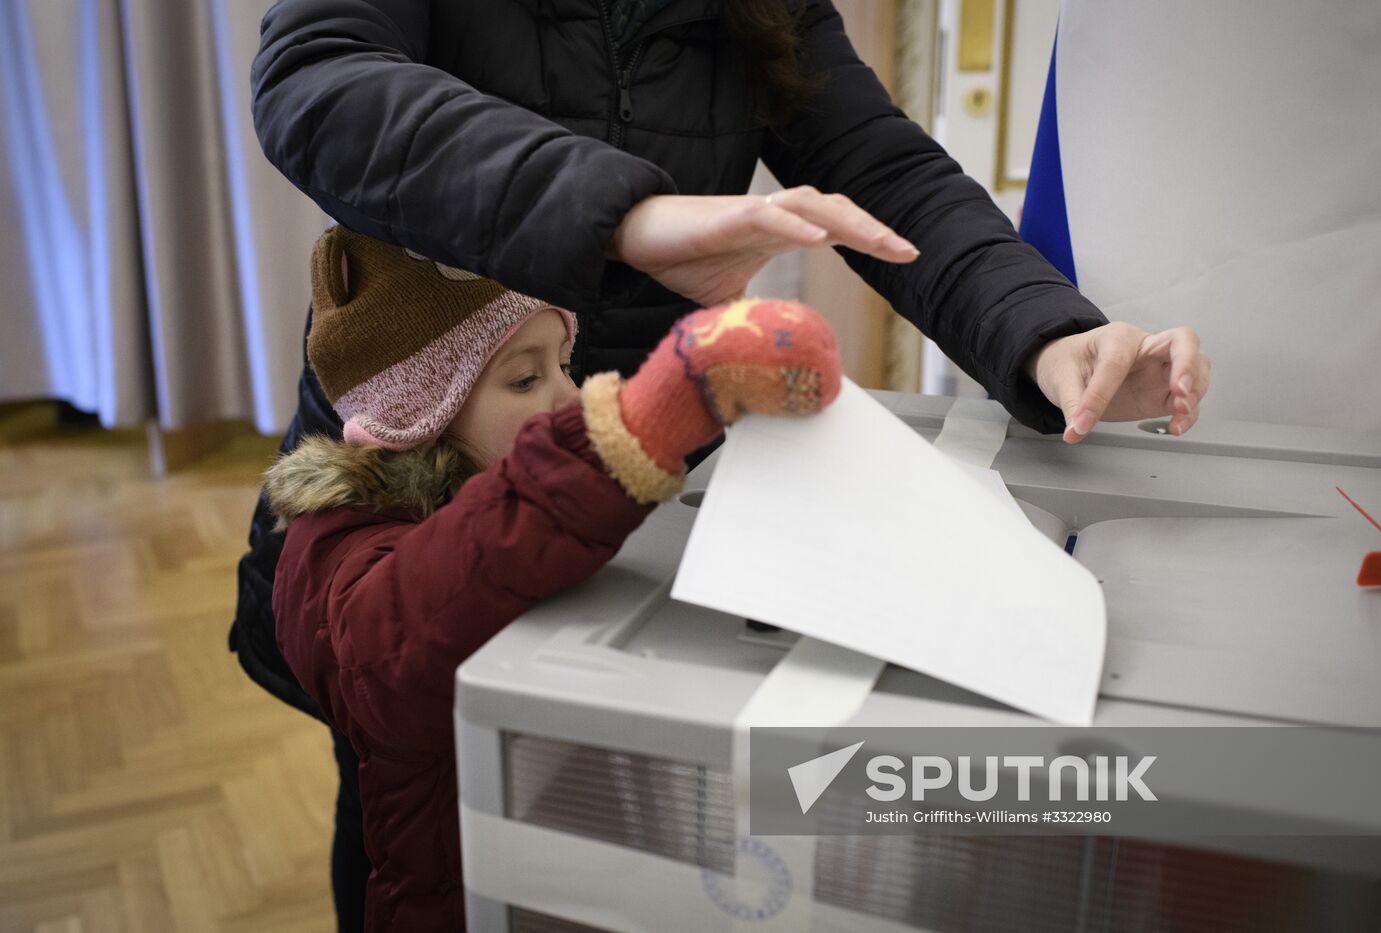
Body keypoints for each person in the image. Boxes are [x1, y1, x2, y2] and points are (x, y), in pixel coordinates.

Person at [233, 1, 1211, 927]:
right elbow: (316, 76)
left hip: (642, 507)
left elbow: (876, 169)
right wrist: (623, 216)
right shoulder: (363, 537)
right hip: (438, 505)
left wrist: (1044, 337)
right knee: (413, 827)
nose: (563, 391)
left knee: (607, 831)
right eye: (537, 374)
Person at [266, 224, 843, 931]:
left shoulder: (509, 504)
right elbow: (398, 639)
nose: (569, 397)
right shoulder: (340, 546)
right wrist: (634, 428)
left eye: (563, 363)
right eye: (525, 377)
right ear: (418, 419)